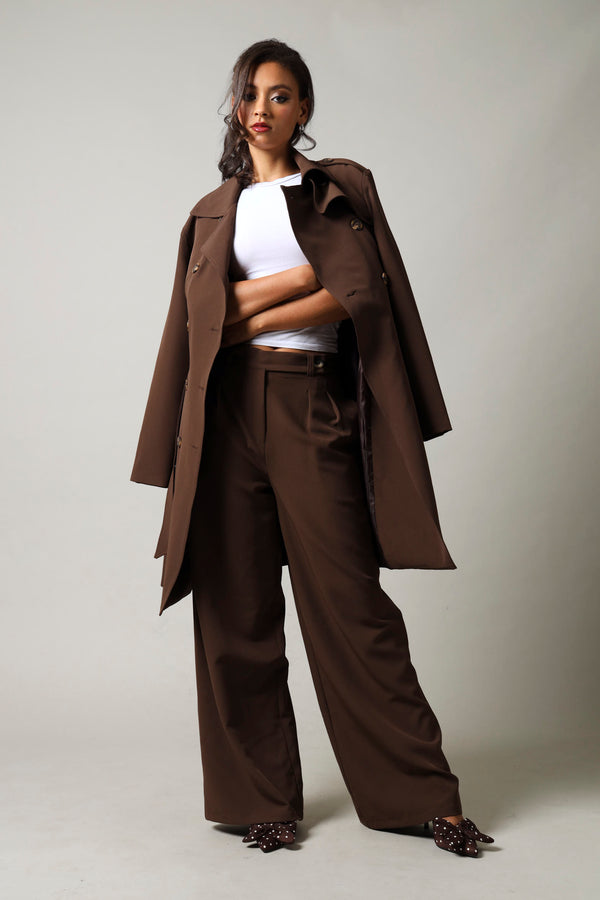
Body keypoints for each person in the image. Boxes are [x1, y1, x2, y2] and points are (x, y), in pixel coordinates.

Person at [132, 38, 495, 858]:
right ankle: (260, 801)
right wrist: (296, 285)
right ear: (236, 108)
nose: (263, 108)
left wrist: (253, 306)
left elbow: (357, 291)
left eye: (281, 94)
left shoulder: (339, 189)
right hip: (226, 414)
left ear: (304, 108)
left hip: (312, 403)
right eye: (250, 94)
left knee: (351, 604)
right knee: (235, 610)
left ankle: (423, 799)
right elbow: (198, 324)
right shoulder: (211, 212)